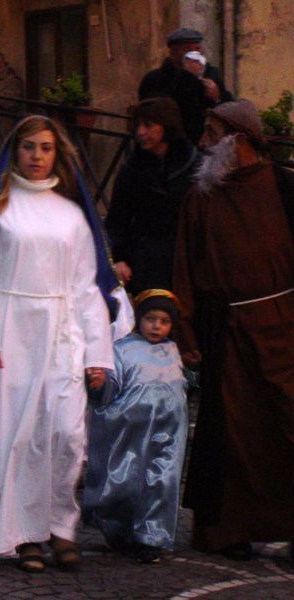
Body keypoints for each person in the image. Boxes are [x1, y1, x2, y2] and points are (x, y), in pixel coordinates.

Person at [0, 115, 120, 572]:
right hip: (10, 332)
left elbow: (87, 288)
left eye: (46, 148)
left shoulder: (73, 215)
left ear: (58, 155)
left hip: (62, 333)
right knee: (16, 438)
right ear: (13, 152)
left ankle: (61, 525)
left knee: (64, 435)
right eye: (28, 148)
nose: (37, 157)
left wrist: (98, 355)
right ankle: (24, 535)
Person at [174, 99, 294, 561]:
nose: (203, 144)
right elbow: (185, 268)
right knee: (233, 435)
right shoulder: (201, 198)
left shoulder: (284, 187)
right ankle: (228, 530)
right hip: (228, 330)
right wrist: (184, 334)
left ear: (239, 141)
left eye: (211, 133)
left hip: (285, 327)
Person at [83, 289, 192, 565]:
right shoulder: (121, 349)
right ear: (139, 319)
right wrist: (99, 384)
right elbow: (111, 385)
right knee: (124, 481)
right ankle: (118, 529)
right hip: (127, 433)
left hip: (167, 433)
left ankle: (150, 538)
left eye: (164, 321)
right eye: (151, 319)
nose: (157, 326)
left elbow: (185, 382)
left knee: (161, 481)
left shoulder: (174, 352)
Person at [106, 97, 200, 294]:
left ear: (166, 126)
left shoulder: (194, 167)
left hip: (186, 262)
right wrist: (120, 258)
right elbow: (117, 218)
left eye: (148, 126)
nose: (140, 132)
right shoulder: (132, 170)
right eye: (137, 125)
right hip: (145, 263)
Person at [139, 28, 232, 144]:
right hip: (173, 142)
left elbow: (228, 105)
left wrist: (218, 97)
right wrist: (188, 76)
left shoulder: (211, 74)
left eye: (197, 49)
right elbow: (163, 109)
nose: (194, 54)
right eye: (187, 49)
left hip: (206, 142)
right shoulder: (155, 79)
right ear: (173, 53)